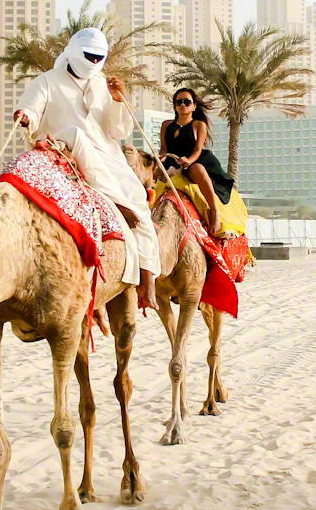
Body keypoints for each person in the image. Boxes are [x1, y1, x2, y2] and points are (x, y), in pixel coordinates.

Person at [13, 28, 160, 314]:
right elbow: (31, 108)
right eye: (88, 55)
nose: (93, 61)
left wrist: (118, 100)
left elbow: (117, 130)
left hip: (106, 156)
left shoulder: (104, 85)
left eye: (98, 57)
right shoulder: (47, 81)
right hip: (63, 147)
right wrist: (25, 116)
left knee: (139, 202)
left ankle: (148, 275)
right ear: (73, 51)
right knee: (74, 133)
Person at [159, 87, 234, 235]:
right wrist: (161, 157)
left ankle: (214, 212)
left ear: (194, 106)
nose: (183, 105)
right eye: (179, 102)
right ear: (174, 106)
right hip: (172, 160)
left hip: (195, 160)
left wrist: (189, 160)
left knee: (198, 169)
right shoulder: (166, 125)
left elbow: (198, 149)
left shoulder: (199, 125)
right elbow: (163, 148)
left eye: (187, 102)